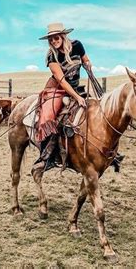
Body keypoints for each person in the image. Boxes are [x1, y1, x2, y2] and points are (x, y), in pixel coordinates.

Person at [32, 22, 91, 173]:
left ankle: (110, 152)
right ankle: (47, 157)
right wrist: (77, 97)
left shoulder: (77, 45)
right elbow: (62, 81)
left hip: (77, 86)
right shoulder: (51, 56)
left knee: (100, 106)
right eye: (50, 39)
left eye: (56, 37)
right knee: (47, 118)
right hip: (57, 89)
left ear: (63, 36)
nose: (53, 41)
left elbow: (86, 60)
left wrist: (88, 65)